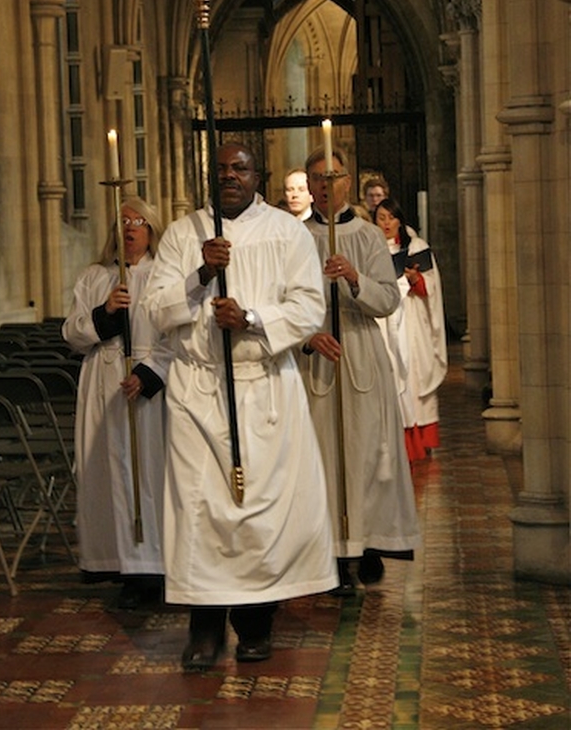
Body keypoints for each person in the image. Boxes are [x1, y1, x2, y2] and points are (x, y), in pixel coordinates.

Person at [144, 142, 337, 671]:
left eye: (240, 168)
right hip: (197, 389)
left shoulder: (287, 231)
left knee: (259, 513)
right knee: (199, 513)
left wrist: (249, 318)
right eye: (222, 169)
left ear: (259, 175)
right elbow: (156, 309)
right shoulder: (187, 233)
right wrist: (202, 274)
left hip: (264, 386)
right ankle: (204, 630)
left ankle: (255, 624)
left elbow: (307, 309)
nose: (230, 176)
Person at [302, 146, 421, 593]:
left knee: (369, 453)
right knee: (323, 454)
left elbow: (388, 300)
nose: (325, 186)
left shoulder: (369, 236)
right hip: (317, 358)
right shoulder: (294, 236)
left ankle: (369, 543)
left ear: (347, 183)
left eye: (333, 177)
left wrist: (354, 278)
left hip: (360, 351)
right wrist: (306, 335)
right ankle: (331, 552)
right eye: (316, 178)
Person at [62, 197, 173, 610]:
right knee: (108, 475)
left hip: (146, 387)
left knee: (148, 473)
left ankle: (155, 564)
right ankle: (121, 565)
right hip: (102, 384)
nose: (130, 228)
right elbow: (72, 334)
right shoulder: (94, 276)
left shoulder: (164, 274)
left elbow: (175, 332)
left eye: (139, 221)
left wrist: (148, 373)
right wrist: (105, 311)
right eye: (123, 220)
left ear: (152, 229)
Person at [374, 198, 447, 461]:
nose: (386, 223)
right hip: (384, 322)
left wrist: (416, 280)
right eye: (381, 218)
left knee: (414, 375)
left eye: (391, 218)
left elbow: (432, 287)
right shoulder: (372, 248)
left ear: (400, 220)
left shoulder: (416, 247)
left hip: (413, 320)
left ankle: (420, 438)